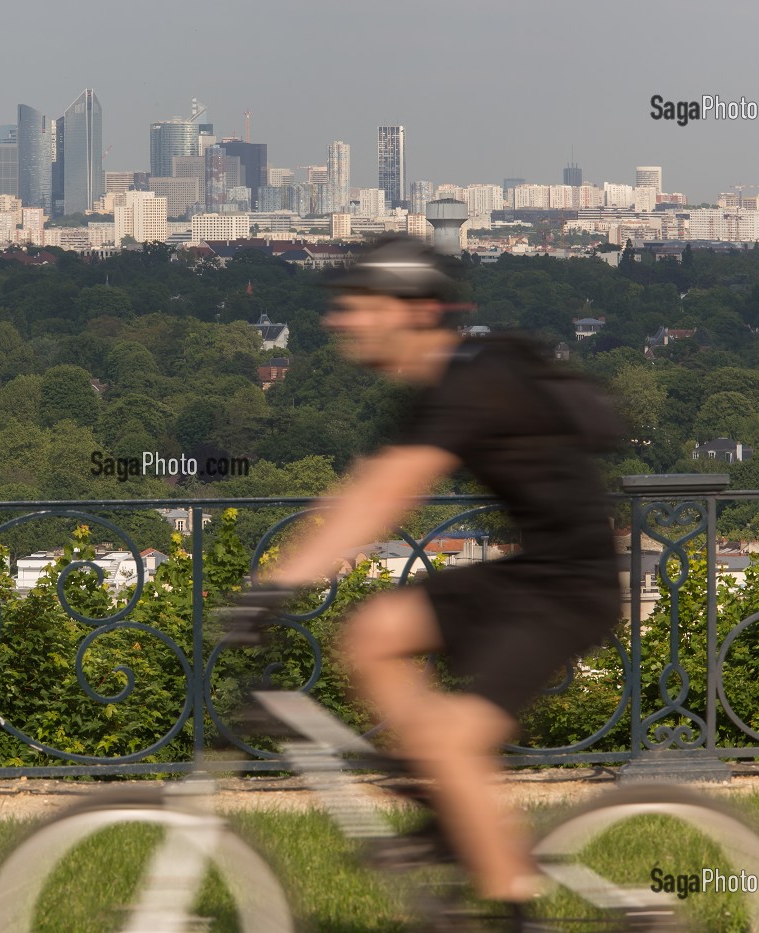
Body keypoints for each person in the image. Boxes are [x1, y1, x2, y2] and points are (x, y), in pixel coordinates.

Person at [241, 236, 620, 918]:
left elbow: (387, 494)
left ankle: (514, 910)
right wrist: (284, 573)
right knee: (373, 631)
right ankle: (452, 808)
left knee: (449, 738)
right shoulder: (439, 386)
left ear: (413, 311)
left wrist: (275, 584)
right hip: (534, 574)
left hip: (569, 591)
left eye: (358, 306)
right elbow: (364, 487)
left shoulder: (470, 383)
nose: (339, 320)